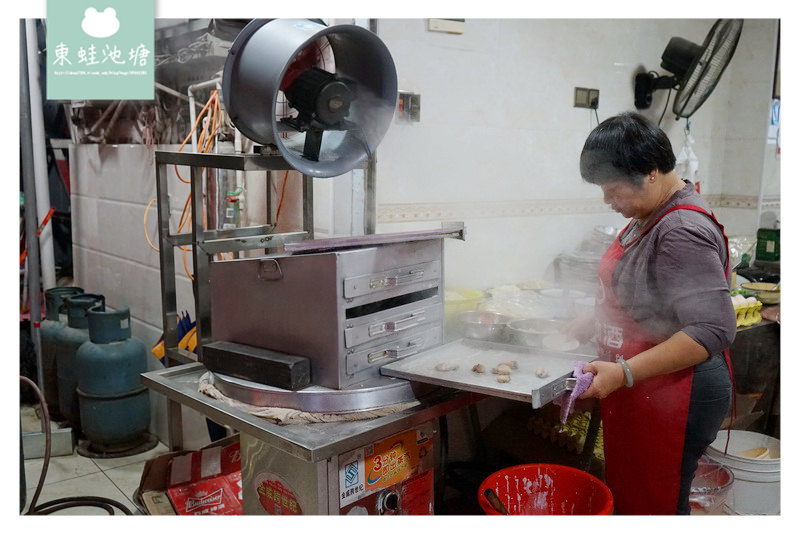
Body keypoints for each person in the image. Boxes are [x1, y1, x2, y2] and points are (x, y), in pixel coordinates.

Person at [574, 111, 736, 515]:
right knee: (641, 495)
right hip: (653, 386)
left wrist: (624, 372)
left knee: (659, 501)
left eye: (612, 189)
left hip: (680, 393)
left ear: (650, 172)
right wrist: (593, 319)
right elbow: (647, 295)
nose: (607, 200)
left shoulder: (679, 227)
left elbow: (712, 329)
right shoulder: (649, 213)